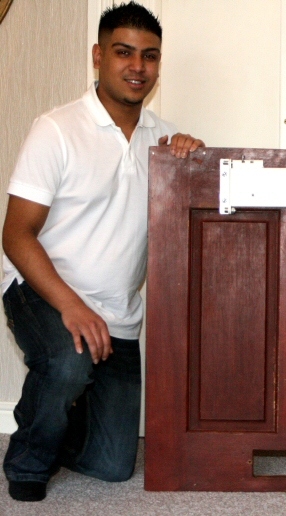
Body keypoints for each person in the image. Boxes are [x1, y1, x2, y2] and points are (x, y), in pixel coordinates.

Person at [1, 2, 204, 502]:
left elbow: (195, 222)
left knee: (113, 466)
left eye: (150, 56)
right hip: (42, 291)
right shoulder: (56, 129)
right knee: (69, 363)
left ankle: (56, 410)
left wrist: (192, 161)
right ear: (98, 56)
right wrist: (71, 306)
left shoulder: (163, 139)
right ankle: (27, 457)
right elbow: (16, 234)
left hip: (117, 311)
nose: (138, 66)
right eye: (123, 52)